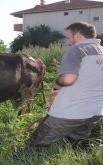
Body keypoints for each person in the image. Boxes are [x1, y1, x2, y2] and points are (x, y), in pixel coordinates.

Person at [28, 21, 103, 149]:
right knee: (79, 145)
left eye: (68, 37)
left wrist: (56, 82)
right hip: (95, 113)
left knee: (35, 145)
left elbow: (68, 80)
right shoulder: (101, 51)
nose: (68, 42)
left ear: (78, 36)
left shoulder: (77, 49)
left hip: (68, 113)